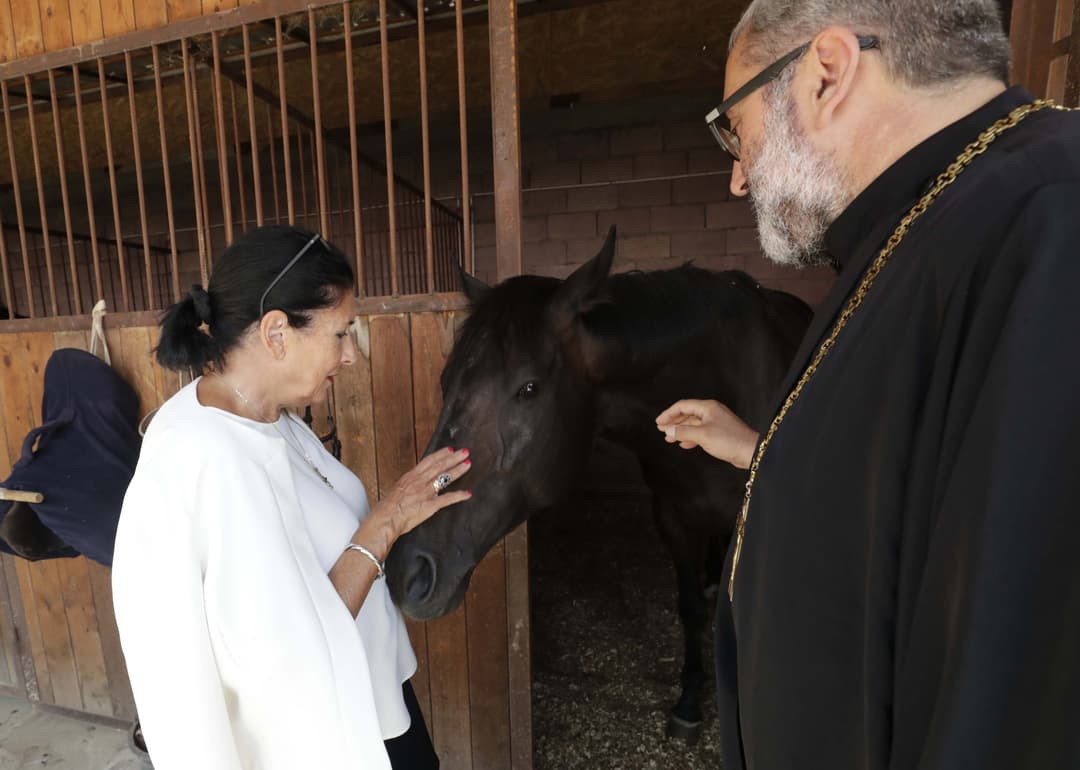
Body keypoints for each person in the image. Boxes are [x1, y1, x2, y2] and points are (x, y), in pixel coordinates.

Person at [655, 1, 1080, 768]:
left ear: (826, 73)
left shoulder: (1050, 218)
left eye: (736, 130)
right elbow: (914, 498)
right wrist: (762, 451)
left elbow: (1018, 667)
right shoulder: (919, 227)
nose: (737, 177)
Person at [112, 225, 471, 770]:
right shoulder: (192, 461)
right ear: (276, 331)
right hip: (315, 742)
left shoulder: (274, 419)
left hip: (370, 700)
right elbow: (272, 655)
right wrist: (385, 523)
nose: (350, 356)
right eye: (340, 333)